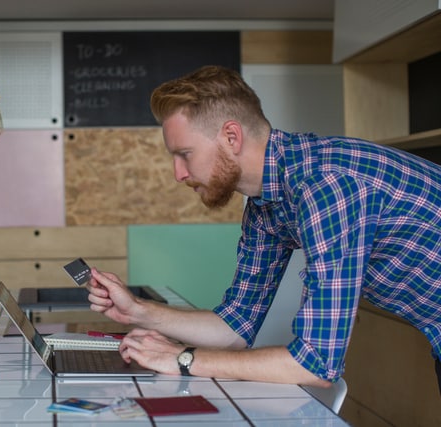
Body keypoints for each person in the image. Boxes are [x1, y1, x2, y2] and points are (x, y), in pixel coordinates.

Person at [86, 65, 441, 391]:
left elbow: (317, 364)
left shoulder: (326, 187)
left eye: (185, 154)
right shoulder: (265, 204)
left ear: (231, 137)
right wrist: (137, 310)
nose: (178, 174)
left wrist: (181, 358)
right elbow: (235, 326)